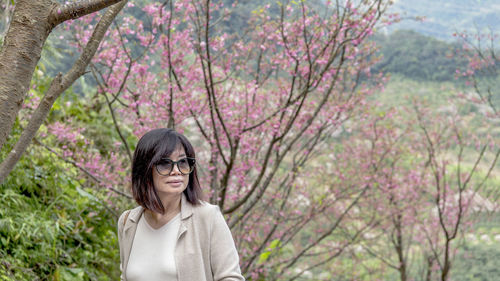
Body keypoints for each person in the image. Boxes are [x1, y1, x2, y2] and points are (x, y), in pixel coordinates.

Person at [117, 128, 245, 281]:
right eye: (164, 163)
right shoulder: (128, 222)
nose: (176, 171)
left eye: (183, 162)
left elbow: (231, 277)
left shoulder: (207, 217)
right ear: (144, 169)